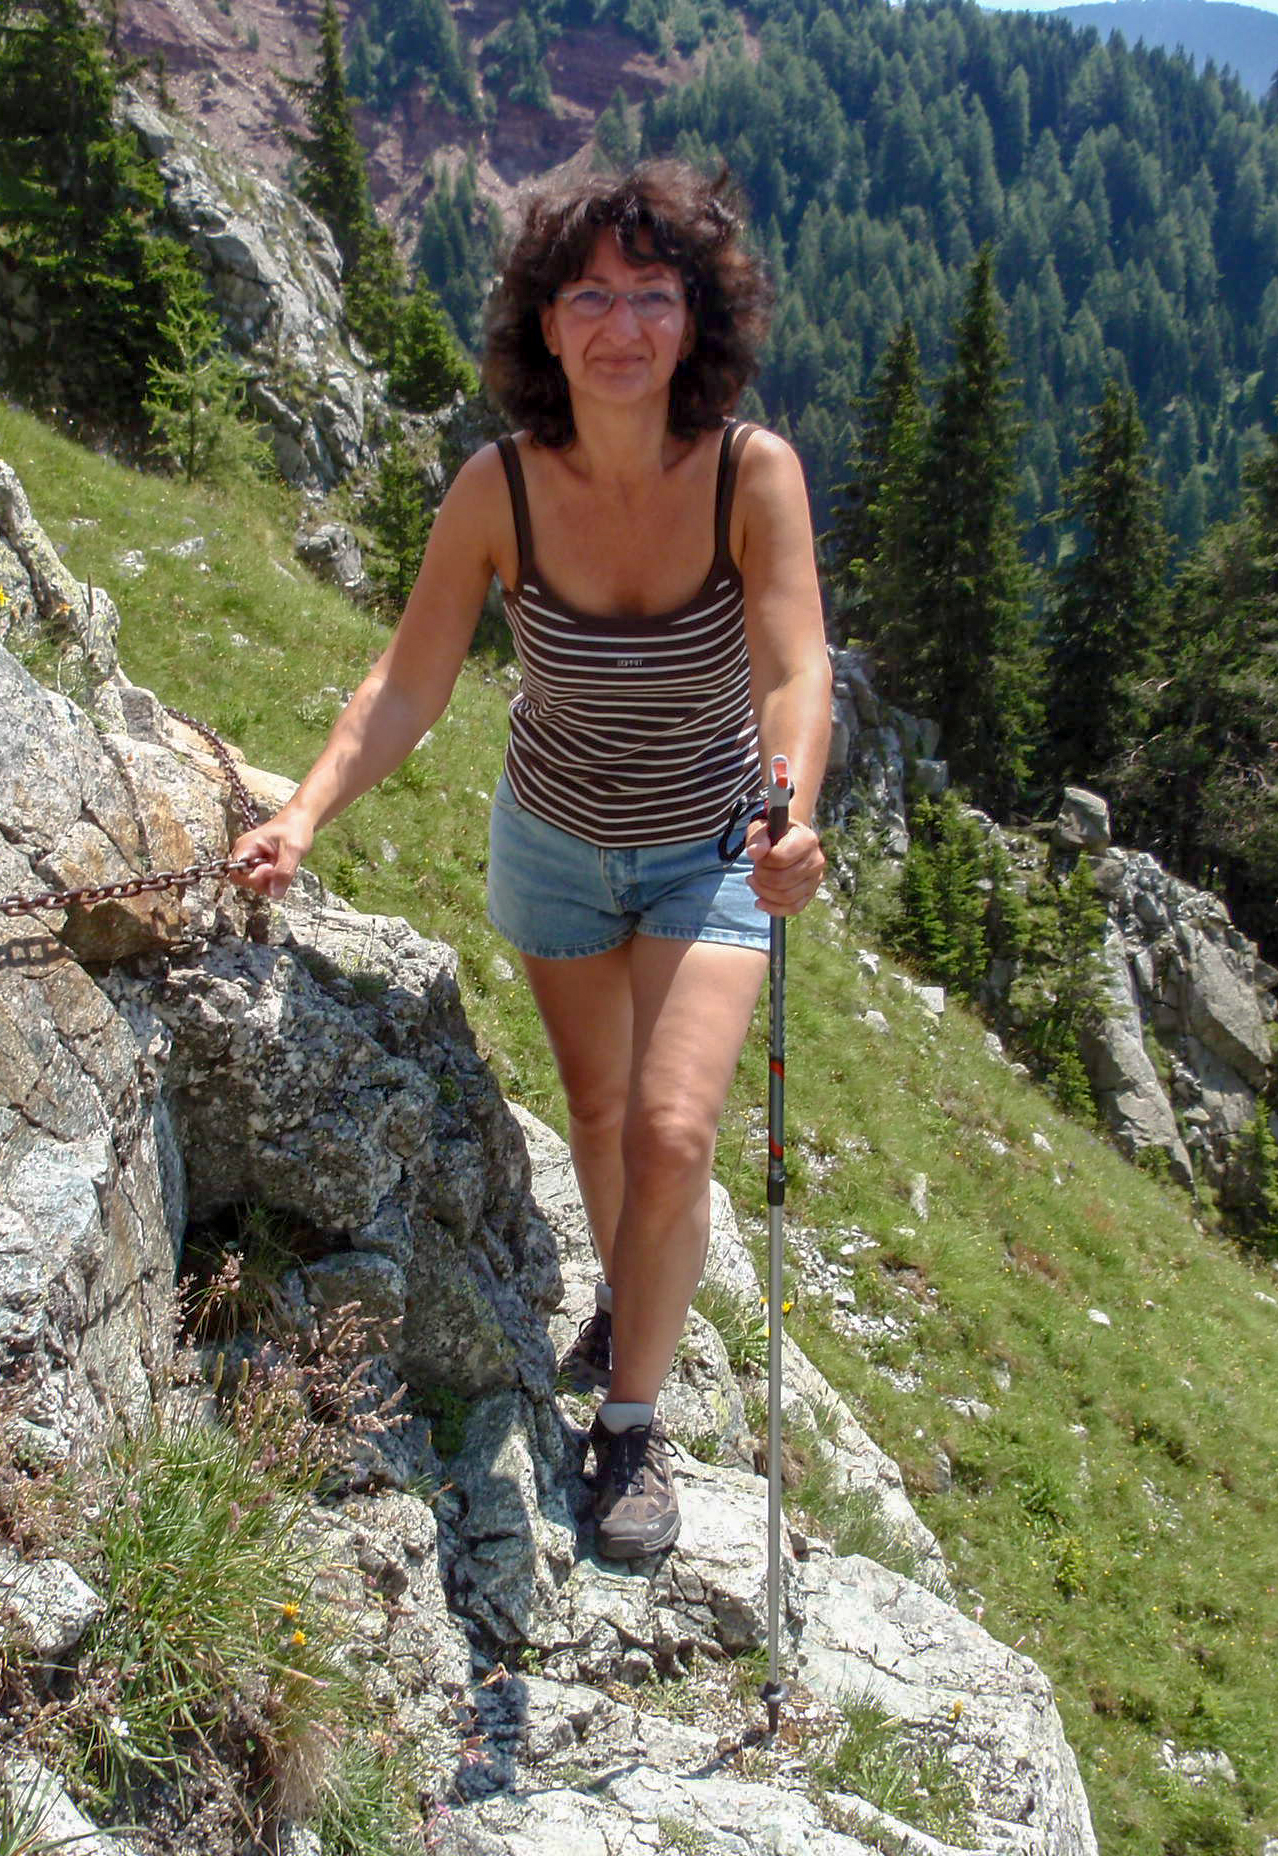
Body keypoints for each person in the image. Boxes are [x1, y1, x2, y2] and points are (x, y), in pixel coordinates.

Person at [231, 161, 830, 1558]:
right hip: (555, 844)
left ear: (696, 319)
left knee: (673, 1132)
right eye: (591, 297)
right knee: (605, 1118)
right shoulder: (497, 489)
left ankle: (630, 1427)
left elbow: (797, 666)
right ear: (547, 326)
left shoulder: (749, 473)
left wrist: (791, 809)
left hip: (712, 845)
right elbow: (408, 681)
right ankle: (628, 1297)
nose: (623, 325)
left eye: (653, 295)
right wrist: (305, 813)